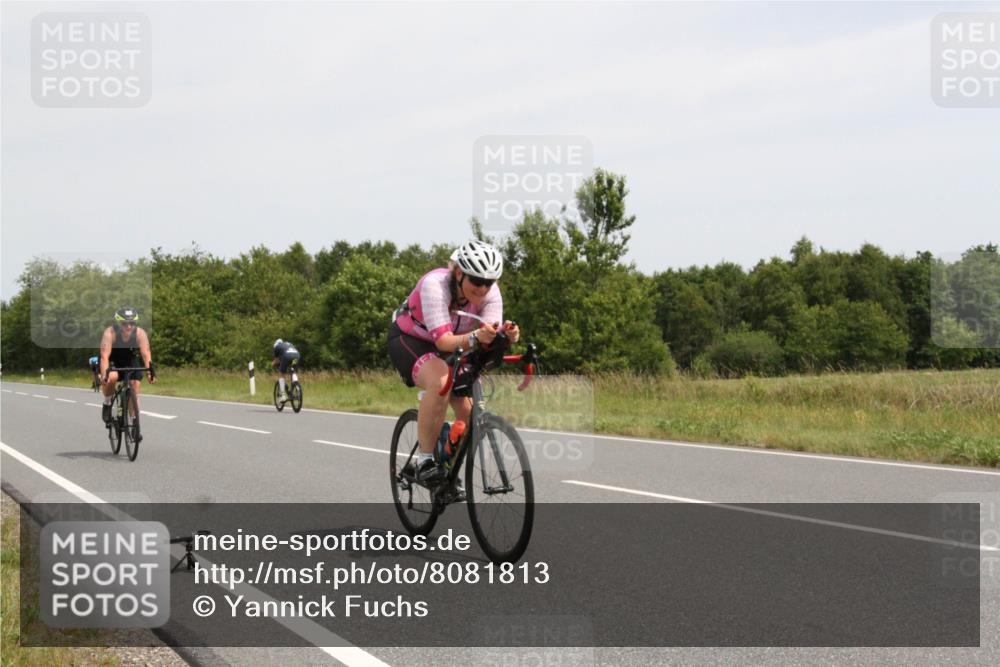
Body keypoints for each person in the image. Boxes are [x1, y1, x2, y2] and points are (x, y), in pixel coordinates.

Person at [387, 240, 520, 483]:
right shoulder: (435, 285)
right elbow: (443, 342)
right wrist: (477, 336)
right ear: (459, 273)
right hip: (411, 338)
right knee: (440, 381)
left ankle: (445, 461)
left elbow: (486, 337)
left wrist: (505, 337)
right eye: (476, 281)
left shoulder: (491, 294)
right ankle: (425, 461)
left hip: (458, 342)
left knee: (470, 416)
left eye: (489, 283)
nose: (483, 289)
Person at [100, 306, 156, 434]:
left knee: (135, 385)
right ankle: (107, 403)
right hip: (112, 359)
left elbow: (146, 354)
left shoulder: (140, 333)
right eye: (125, 324)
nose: (129, 327)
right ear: (119, 323)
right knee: (112, 377)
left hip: (130, 358)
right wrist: (105, 375)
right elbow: (104, 357)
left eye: (132, 323)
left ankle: (134, 421)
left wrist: (149, 372)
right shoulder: (109, 333)